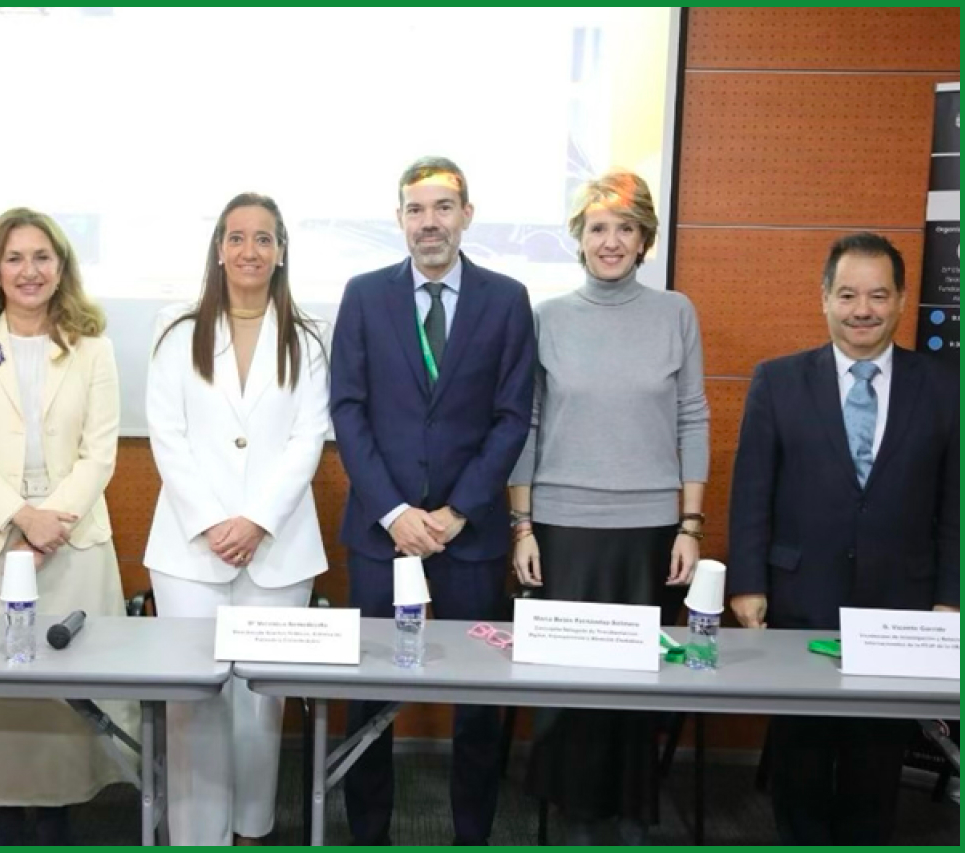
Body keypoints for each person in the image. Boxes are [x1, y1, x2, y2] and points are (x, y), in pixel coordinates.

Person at [728, 232, 959, 845]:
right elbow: (751, 492)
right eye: (849, 294)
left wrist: (950, 597)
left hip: (901, 609)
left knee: (873, 771)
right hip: (799, 597)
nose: (863, 310)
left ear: (902, 300)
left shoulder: (945, 387)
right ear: (825, 298)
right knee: (800, 764)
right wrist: (747, 583)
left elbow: (955, 507)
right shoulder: (777, 380)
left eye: (878, 295)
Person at [0, 208, 137, 845]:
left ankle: (60, 820)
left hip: (70, 541)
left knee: (65, 703)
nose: (29, 270)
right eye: (14, 258)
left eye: (42, 257)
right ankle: (4, 824)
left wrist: (48, 524)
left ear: (62, 268)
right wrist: (21, 519)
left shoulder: (93, 348)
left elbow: (100, 453)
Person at [330, 157, 535, 846]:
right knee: (368, 698)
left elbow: (512, 415)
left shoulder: (507, 299)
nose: (430, 222)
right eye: (416, 209)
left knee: (477, 700)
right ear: (399, 219)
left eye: (443, 207)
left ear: (467, 215)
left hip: (468, 537)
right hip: (380, 533)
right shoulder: (364, 295)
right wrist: (394, 512)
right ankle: (368, 836)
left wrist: (457, 511)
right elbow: (348, 409)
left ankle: (472, 835)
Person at [507, 170, 709, 845]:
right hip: (563, 529)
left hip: (650, 530)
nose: (612, 241)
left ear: (646, 239)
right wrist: (522, 526)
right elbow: (528, 424)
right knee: (570, 686)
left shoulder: (676, 312)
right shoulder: (547, 317)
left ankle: (629, 823)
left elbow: (692, 418)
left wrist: (690, 524)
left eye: (626, 228)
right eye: (598, 228)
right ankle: (573, 826)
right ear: (579, 237)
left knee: (636, 683)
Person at [145, 192, 330, 846]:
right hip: (189, 549)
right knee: (193, 700)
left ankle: (252, 829)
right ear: (219, 250)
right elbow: (166, 434)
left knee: (260, 702)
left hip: (279, 547)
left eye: (264, 238)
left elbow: (308, 438)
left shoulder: (308, 336)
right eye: (237, 237)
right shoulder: (176, 329)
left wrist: (255, 521)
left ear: (281, 253)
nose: (250, 250)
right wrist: (212, 521)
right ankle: (198, 836)